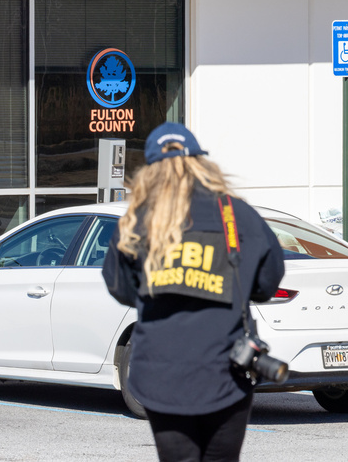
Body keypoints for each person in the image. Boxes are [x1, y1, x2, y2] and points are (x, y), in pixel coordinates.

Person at [103, 122, 284, 462]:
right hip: (225, 371)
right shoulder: (237, 215)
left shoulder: (139, 219)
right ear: (201, 162)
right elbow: (268, 282)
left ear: (151, 170)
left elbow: (120, 286)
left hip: (161, 374)